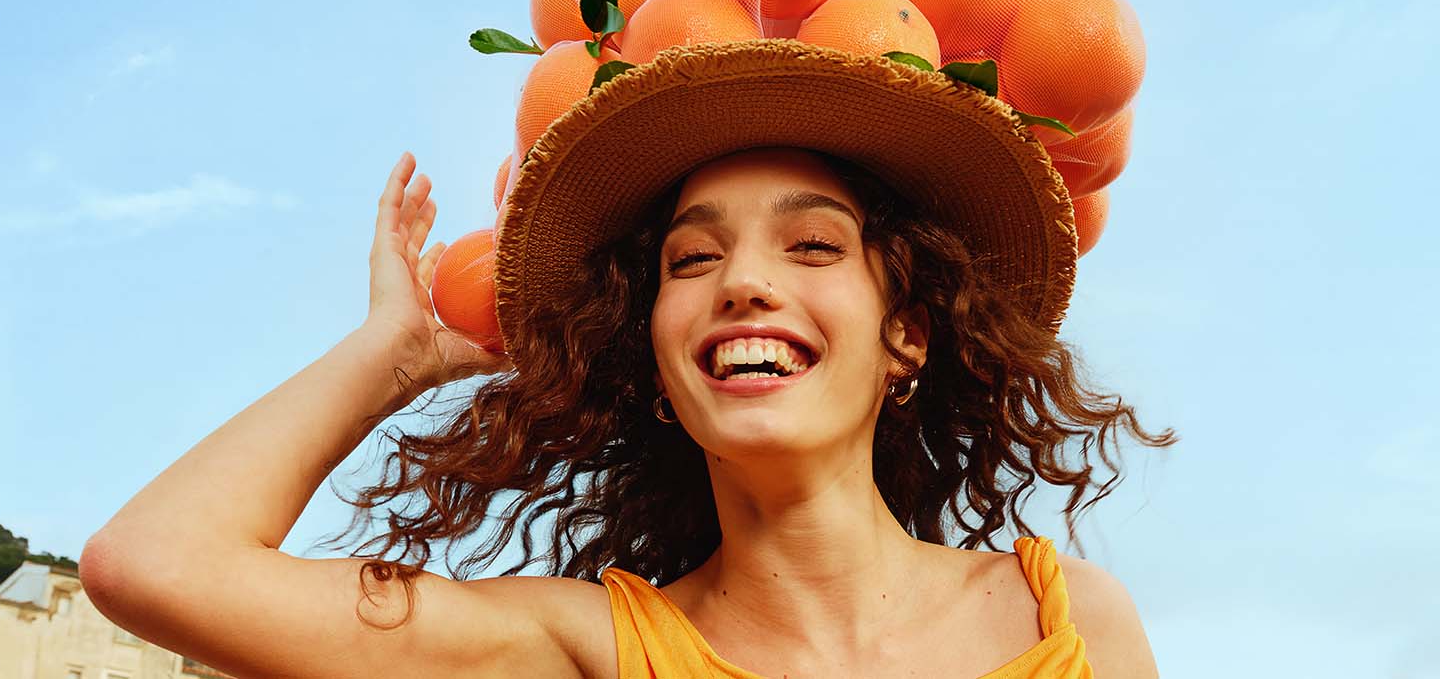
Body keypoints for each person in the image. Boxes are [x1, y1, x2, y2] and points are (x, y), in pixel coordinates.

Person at [81, 41, 1176, 678]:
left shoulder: (1068, 620)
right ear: (656, 363)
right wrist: (395, 352)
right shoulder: (590, 649)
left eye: (812, 244)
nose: (743, 281)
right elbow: (150, 562)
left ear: (909, 333)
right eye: (690, 258)